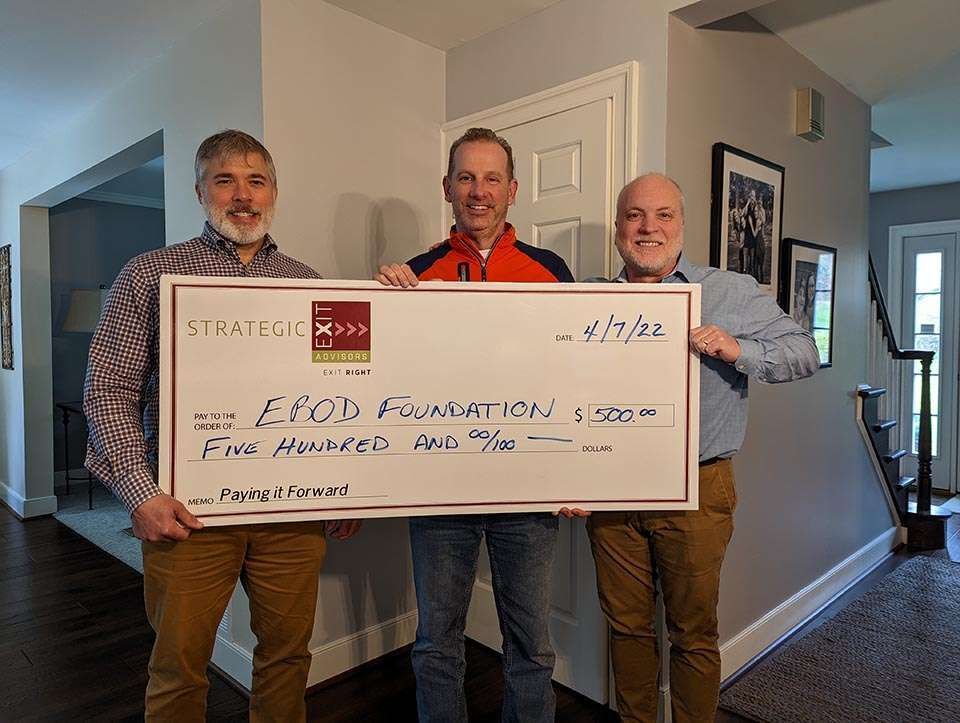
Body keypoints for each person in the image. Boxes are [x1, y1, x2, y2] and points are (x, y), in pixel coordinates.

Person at [83, 129, 360, 722]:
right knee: (179, 665)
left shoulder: (310, 285)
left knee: (287, 657)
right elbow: (108, 389)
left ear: (274, 192)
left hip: (290, 514)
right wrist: (141, 492)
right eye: (225, 179)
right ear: (200, 191)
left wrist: (343, 486)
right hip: (187, 515)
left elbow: (335, 394)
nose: (242, 195)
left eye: (256, 181)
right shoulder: (150, 274)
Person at [577, 173, 818, 722]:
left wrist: (737, 348)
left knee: (693, 631)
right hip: (612, 490)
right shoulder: (590, 298)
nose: (648, 227)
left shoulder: (730, 290)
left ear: (682, 225)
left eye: (663, 215)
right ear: (619, 228)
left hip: (699, 488)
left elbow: (804, 351)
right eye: (635, 215)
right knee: (627, 626)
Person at [375, 127, 573, 722]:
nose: (478, 191)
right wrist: (384, 304)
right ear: (447, 188)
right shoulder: (414, 274)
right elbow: (385, 382)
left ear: (513, 189)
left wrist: (578, 468)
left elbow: (575, 377)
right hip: (440, 494)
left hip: (528, 493)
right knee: (437, 643)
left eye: (491, 179)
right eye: (465, 177)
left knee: (531, 646)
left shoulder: (551, 270)